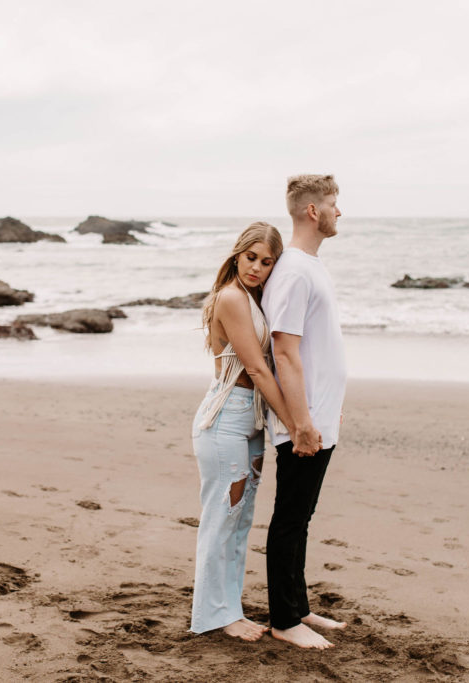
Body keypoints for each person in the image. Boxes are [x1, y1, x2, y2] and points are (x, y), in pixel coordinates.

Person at [189, 221, 310, 642]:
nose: (256, 267)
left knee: (239, 521)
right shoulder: (231, 298)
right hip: (224, 418)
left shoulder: (255, 299)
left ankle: (230, 608)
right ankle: (214, 615)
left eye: (266, 261)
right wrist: (296, 425)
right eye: (250, 258)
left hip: (251, 420)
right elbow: (258, 369)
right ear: (236, 255)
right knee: (222, 518)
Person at [262, 174, 347, 649]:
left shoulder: (308, 266)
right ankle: (283, 620)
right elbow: (285, 351)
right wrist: (301, 424)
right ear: (312, 211)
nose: (340, 212)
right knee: (291, 518)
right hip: (303, 422)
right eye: (334, 204)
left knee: (302, 517)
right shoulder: (294, 270)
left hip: (317, 418)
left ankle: (299, 608)